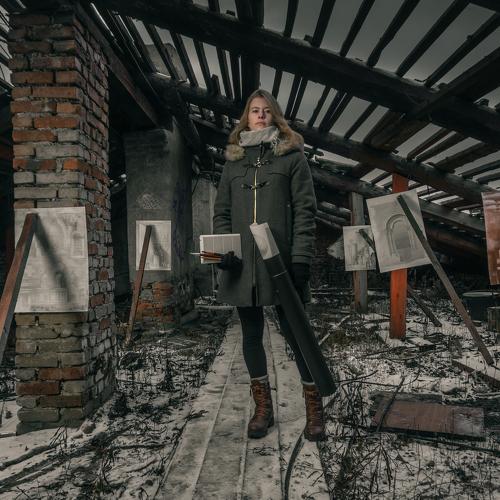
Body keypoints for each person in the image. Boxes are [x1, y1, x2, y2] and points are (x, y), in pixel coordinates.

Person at [213, 89, 326, 441]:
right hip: (243, 265)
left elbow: (306, 211)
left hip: (281, 262)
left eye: (266, 110)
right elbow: (222, 213)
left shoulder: (292, 158)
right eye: (254, 110)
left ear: (275, 116)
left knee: (296, 333)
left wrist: (301, 258)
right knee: (251, 334)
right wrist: (224, 250)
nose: (260, 115)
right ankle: (263, 410)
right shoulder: (233, 163)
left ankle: (314, 410)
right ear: (246, 119)